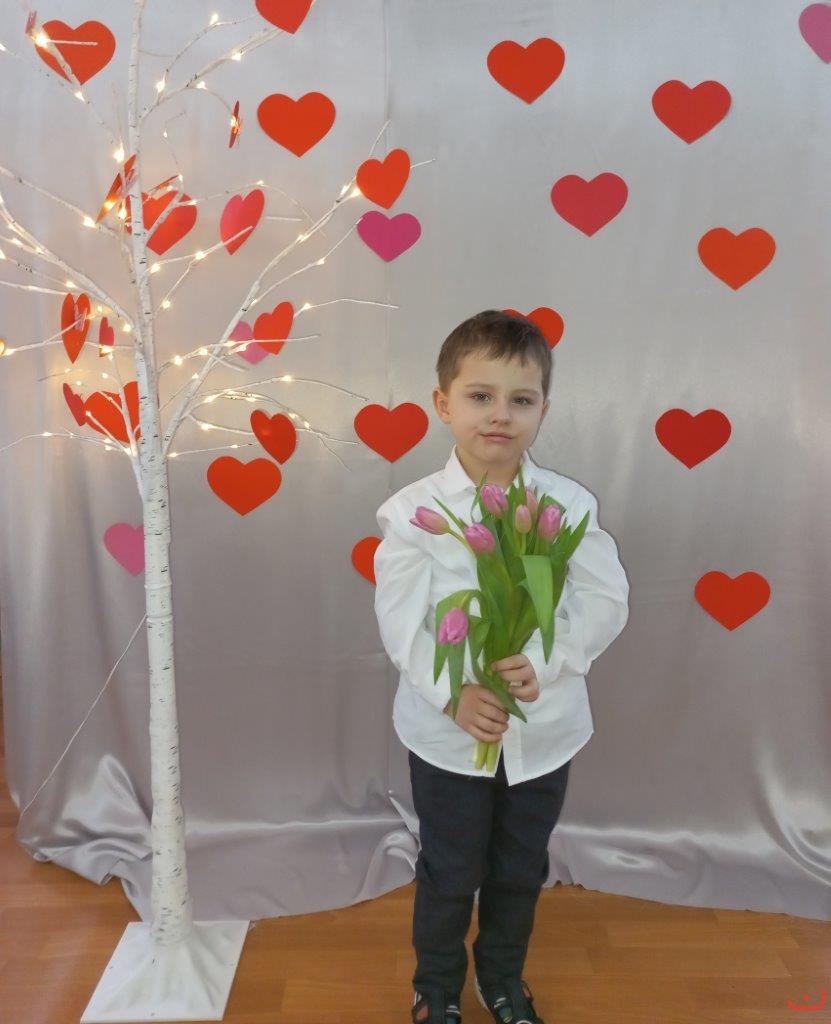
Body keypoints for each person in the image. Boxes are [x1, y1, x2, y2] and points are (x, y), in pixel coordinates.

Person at [373, 310, 630, 1024]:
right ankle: (435, 987)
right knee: (451, 868)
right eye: (480, 396)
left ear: (542, 409)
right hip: (448, 736)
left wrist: (549, 661)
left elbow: (605, 600)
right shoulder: (413, 514)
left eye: (520, 399)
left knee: (519, 868)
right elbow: (401, 624)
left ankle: (502, 980)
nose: (499, 415)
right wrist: (451, 694)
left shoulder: (565, 507)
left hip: (542, 732)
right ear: (442, 403)